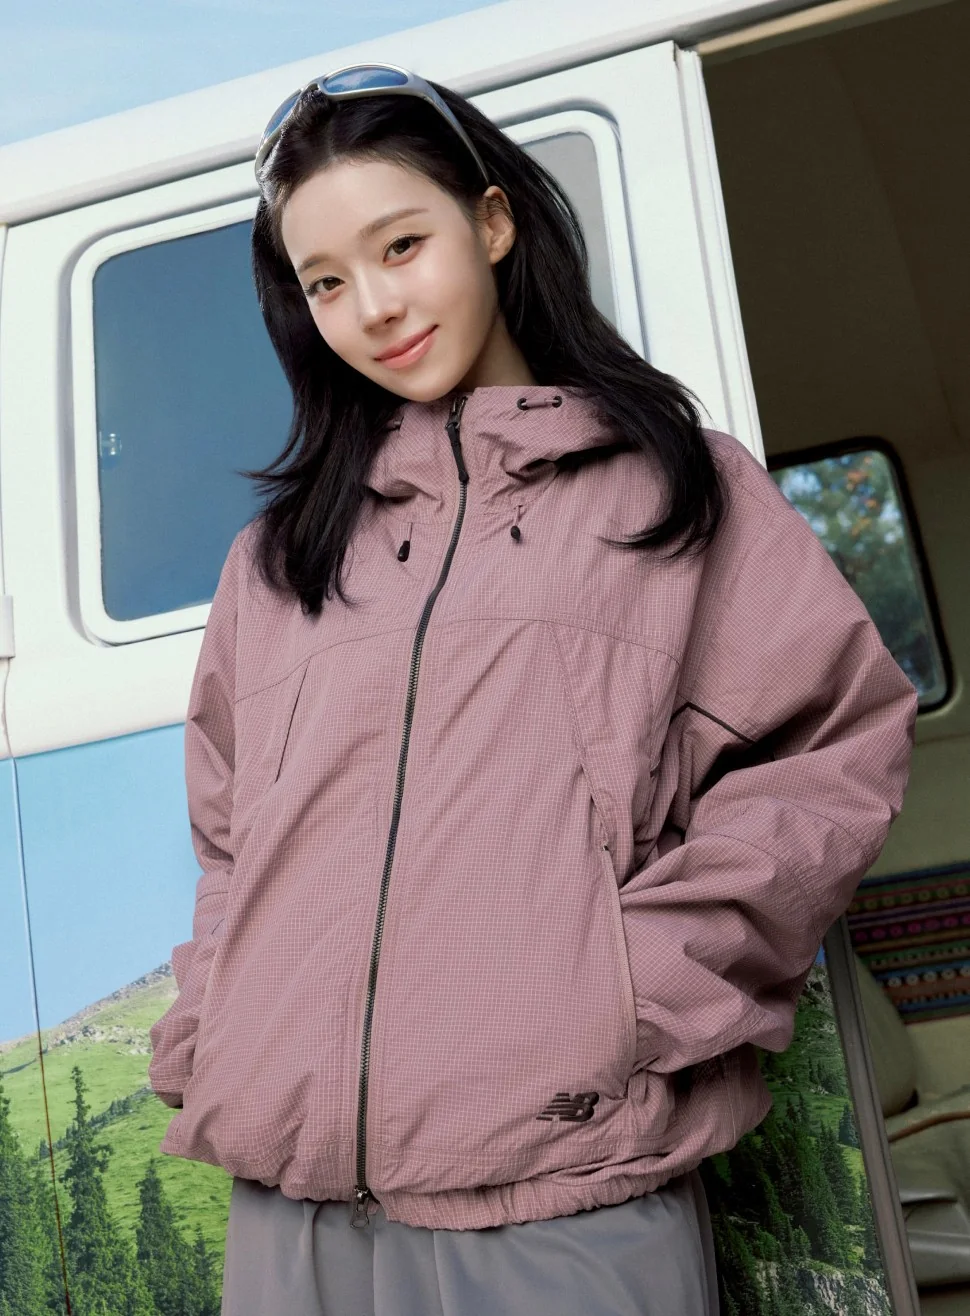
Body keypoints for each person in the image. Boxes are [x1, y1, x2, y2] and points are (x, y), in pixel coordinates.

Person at [147, 62, 918, 1316]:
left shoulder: (676, 490)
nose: (373, 306)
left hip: (564, 1186)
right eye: (324, 281)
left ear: (492, 222)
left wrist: (630, 990)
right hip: (291, 1217)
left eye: (401, 245)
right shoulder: (280, 557)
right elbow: (232, 838)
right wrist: (218, 1023)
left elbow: (829, 751)